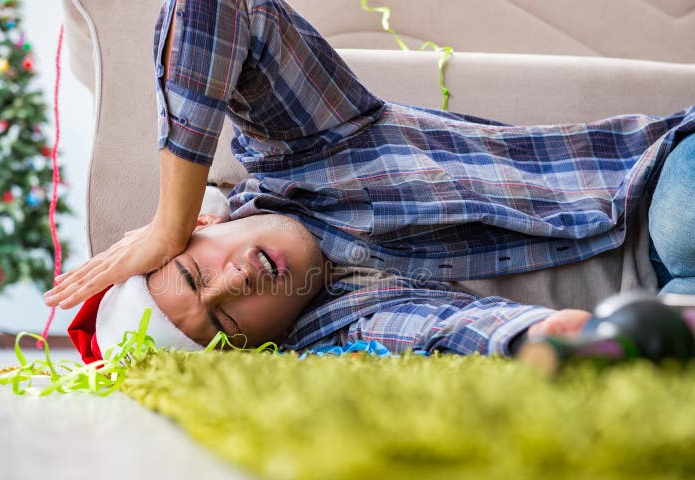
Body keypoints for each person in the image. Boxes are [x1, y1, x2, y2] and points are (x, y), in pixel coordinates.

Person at [49, 0, 695, 359]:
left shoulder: (307, 149)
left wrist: (165, 225)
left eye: (195, 271)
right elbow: (444, 328)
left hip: (658, 192)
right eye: (226, 320)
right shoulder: (340, 326)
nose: (235, 280)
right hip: (658, 307)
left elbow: (215, 11)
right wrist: (539, 337)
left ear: (203, 225)